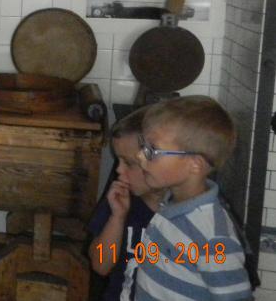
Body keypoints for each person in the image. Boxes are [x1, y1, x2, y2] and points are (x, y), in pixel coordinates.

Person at [120, 95, 251, 300]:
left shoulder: (213, 238)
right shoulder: (171, 204)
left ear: (195, 164)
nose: (140, 156)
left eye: (152, 150)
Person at [87, 107, 166, 301]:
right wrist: (117, 218)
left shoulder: (184, 213)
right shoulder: (119, 200)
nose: (119, 170)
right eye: (118, 161)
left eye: (129, 163)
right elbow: (100, 265)